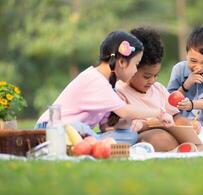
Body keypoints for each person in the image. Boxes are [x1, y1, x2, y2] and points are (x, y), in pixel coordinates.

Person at [36, 31, 174, 145]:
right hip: (53, 128)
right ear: (121, 62)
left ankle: (95, 143)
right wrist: (159, 113)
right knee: (80, 128)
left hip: (74, 131)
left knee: (129, 135)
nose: (135, 70)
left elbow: (107, 126)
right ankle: (97, 143)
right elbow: (125, 111)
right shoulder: (95, 80)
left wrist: (133, 123)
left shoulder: (107, 84)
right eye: (136, 64)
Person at [105, 27, 203, 152]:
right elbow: (123, 127)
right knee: (160, 138)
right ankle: (181, 152)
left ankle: (190, 151)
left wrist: (188, 125)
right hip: (147, 136)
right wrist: (153, 123)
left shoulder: (158, 89)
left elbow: (175, 115)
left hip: (171, 133)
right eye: (147, 76)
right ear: (131, 66)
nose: (152, 81)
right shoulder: (120, 91)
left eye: (156, 75)